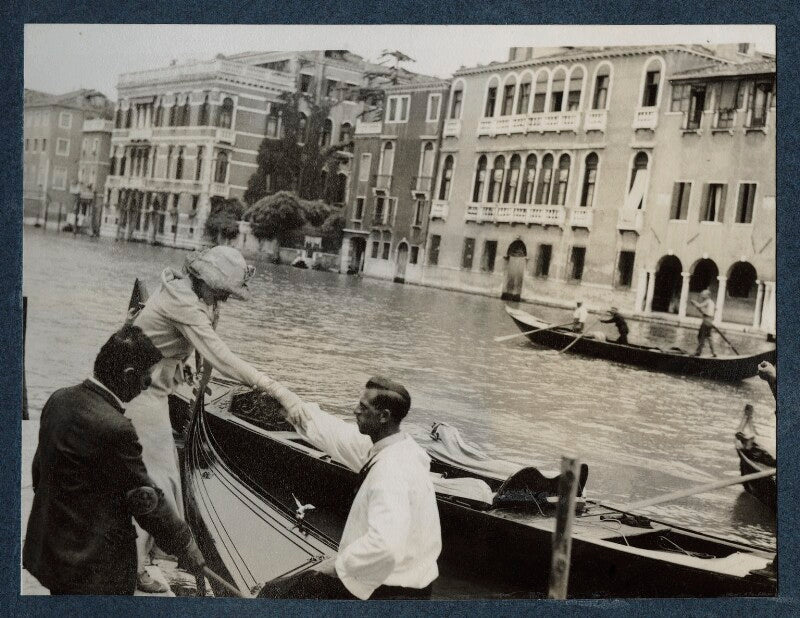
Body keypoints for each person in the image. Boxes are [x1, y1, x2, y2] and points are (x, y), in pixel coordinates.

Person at [125, 245, 286, 592]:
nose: (225, 300)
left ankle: (137, 560)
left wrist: (194, 375)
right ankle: (132, 567)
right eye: (223, 292)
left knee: (161, 481)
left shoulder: (195, 297)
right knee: (157, 484)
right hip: (139, 394)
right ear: (206, 280)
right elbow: (220, 354)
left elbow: (202, 348)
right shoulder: (183, 303)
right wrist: (268, 384)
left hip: (155, 391)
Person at [22, 326, 205, 595]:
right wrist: (186, 544)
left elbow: (40, 472)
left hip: (50, 555)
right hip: (91, 570)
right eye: (146, 381)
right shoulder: (117, 429)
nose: (145, 389)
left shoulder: (59, 399)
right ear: (128, 375)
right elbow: (146, 502)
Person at [257, 376, 442, 600]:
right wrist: (293, 410)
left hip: (388, 590)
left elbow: (384, 546)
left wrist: (337, 564)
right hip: (415, 583)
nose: (355, 411)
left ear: (384, 416)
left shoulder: (391, 471)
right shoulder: (404, 448)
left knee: (273, 594)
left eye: (363, 407)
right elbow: (339, 436)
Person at [690, 289, 717, 357]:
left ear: (707, 295)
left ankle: (698, 352)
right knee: (709, 336)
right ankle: (713, 352)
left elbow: (699, 306)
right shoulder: (712, 302)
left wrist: (694, 302)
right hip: (710, 321)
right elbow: (706, 312)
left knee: (701, 336)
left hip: (706, 321)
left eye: (703, 294)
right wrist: (700, 309)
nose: (702, 296)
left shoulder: (707, 301)